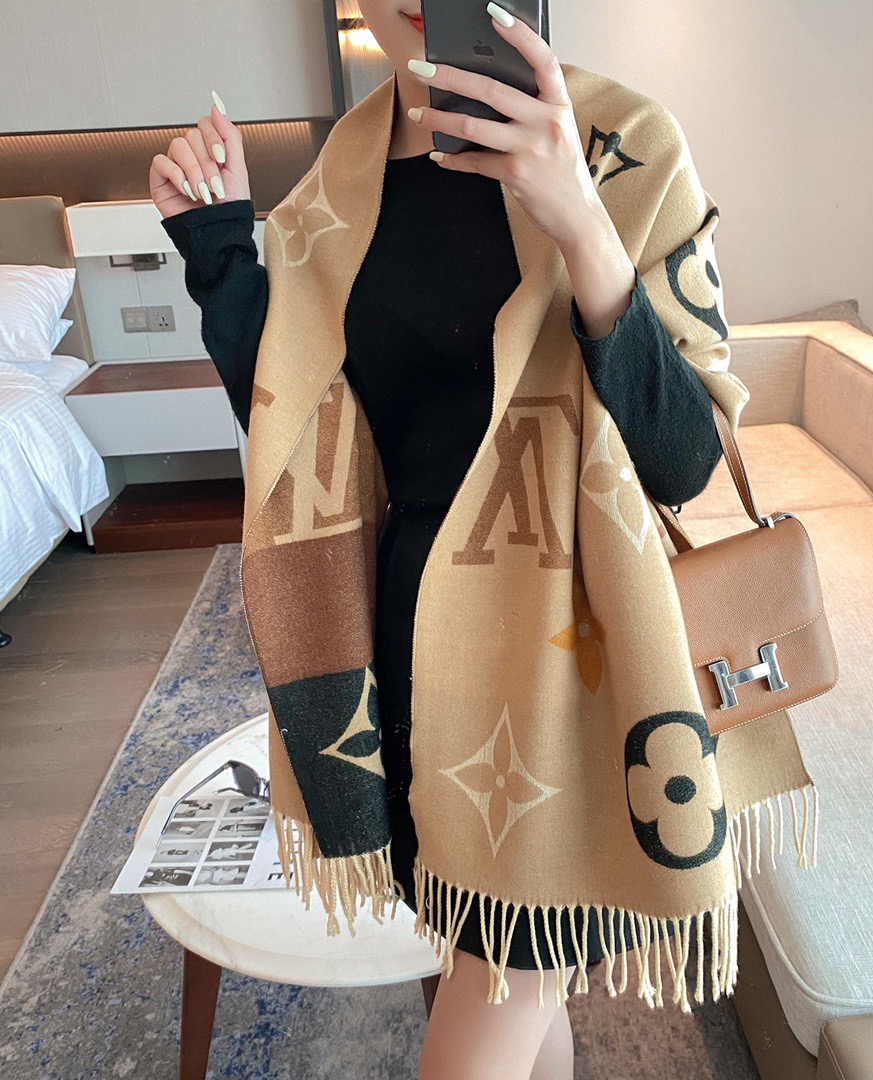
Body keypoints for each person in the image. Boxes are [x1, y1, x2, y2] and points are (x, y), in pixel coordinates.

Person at [149, 5, 727, 1077]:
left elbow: (688, 459)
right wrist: (221, 248)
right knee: (503, 977)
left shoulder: (625, 143)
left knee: (500, 984)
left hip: (567, 670)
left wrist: (580, 220)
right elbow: (303, 436)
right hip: (414, 663)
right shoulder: (343, 175)